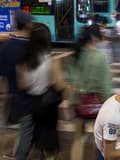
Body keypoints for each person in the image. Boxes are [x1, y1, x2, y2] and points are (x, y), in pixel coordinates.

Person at [16, 23, 68, 160]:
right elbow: (59, 85)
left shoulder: (24, 61)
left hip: (33, 104)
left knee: (38, 137)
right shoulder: (52, 60)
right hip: (48, 106)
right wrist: (67, 87)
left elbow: (23, 85)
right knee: (51, 140)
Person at [69, 24, 113, 160]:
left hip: (79, 103)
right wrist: (111, 104)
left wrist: (72, 102)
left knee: (78, 139)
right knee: (101, 140)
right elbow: (105, 85)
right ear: (94, 38)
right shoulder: (100, 57)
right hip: (96, 105)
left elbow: (72, 82)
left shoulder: (76, 55)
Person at [0, 10, 33, 159]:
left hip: (10, 96)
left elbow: (2, 76)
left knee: (8, 129)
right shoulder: (30, 48)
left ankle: (6, 153)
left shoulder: (5, 46)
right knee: (25, 133)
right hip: (27, 98)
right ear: (26, 25)